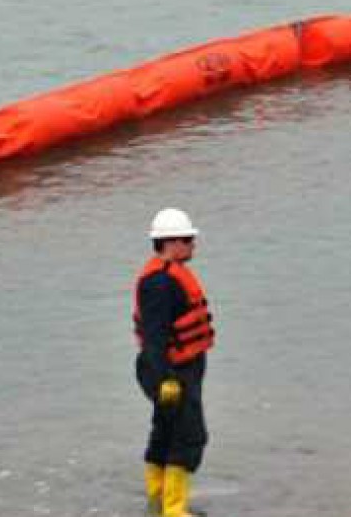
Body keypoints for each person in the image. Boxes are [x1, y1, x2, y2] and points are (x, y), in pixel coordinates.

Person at [134, 207, 215, 517]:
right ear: (170, 242)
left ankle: (157, 499)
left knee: (165, 431)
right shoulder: (160, 283)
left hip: (178, 369)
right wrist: (165, 379)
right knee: (189, 435)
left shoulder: (168, 274)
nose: (194, 244)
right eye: (189, 239)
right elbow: (155, 338)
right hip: (172, 372)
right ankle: (174, 510)